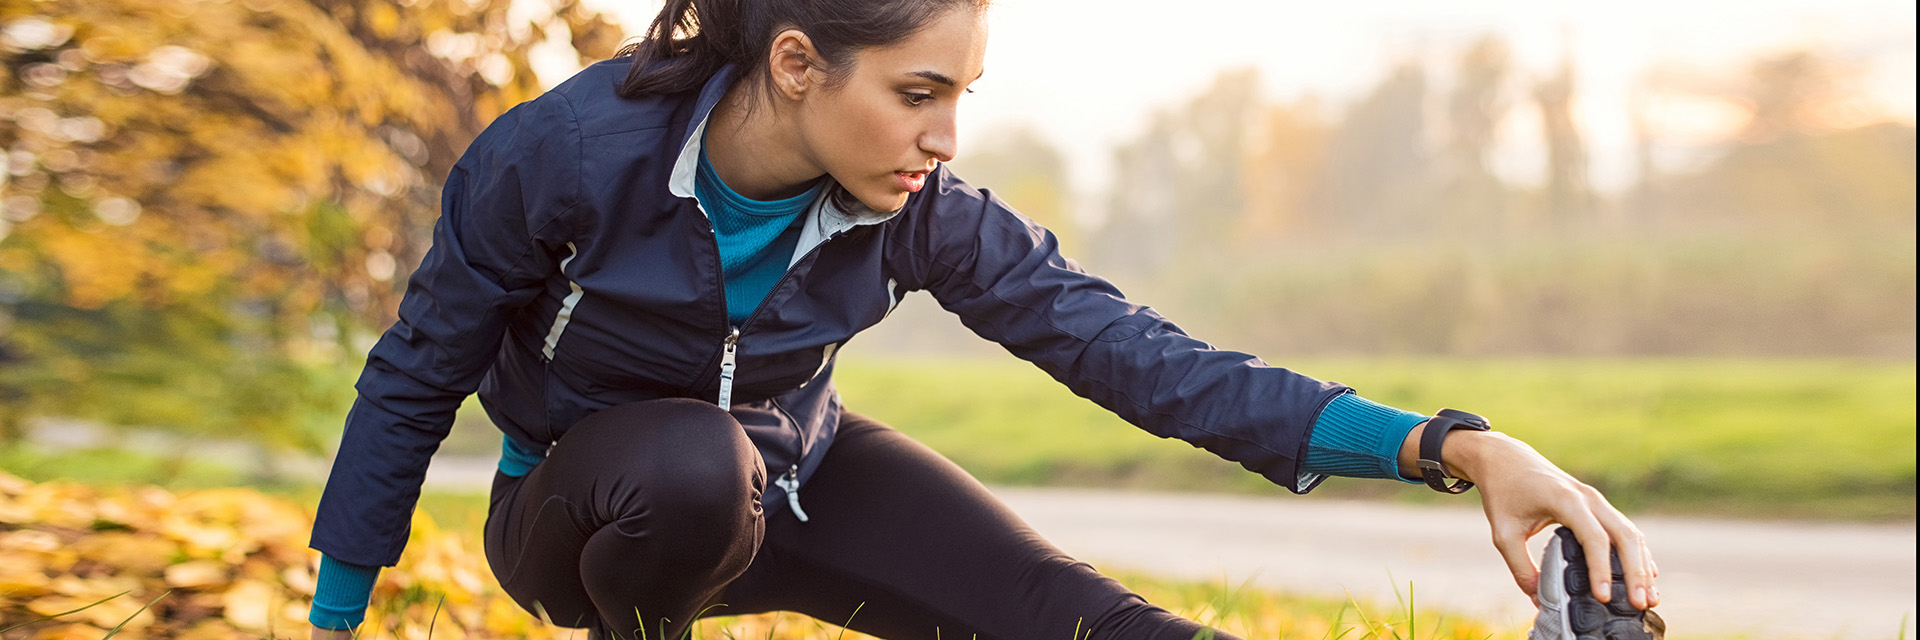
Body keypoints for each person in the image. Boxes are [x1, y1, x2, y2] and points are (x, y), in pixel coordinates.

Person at [306, 1, 1662, 638]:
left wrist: (1457, 447)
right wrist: (334, 614)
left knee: (1082, 620)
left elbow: (1144, 361)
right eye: (917, 93)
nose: (947, 135)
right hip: (583, 512)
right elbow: (415, 372)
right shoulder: (561, 159)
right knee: (684, 467)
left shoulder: (925, 211)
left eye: (964, 94)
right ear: (795, 63)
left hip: (794, 473)